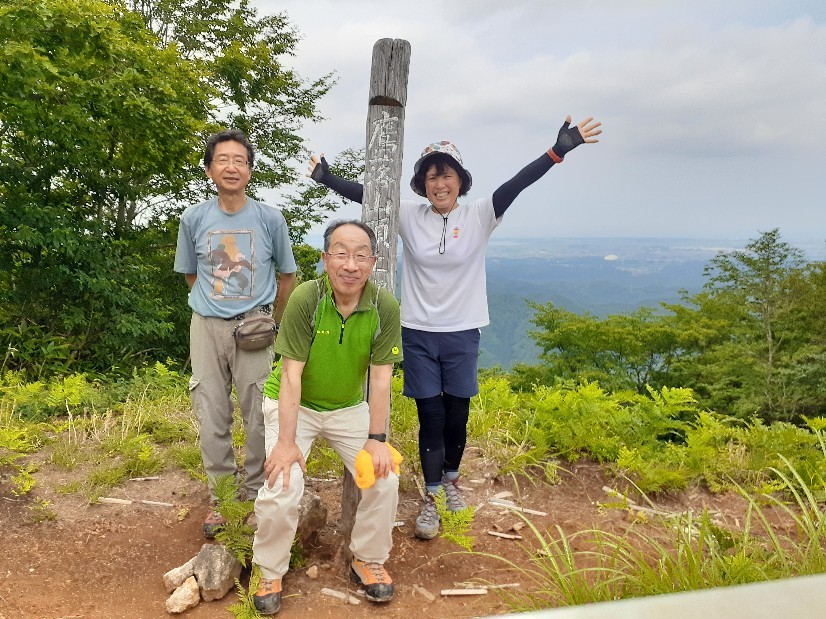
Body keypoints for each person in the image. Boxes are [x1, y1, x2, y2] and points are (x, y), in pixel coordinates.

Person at [306, 115, 602, 540]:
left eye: (446, 175)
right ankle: (430, 497)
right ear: (422, 184)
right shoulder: (411, 217)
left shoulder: (481, 214)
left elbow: (516, 184)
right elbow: (370, 196)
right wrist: (327, 179)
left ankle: (451, 481)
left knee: (457, 414)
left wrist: (556, 152)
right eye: (430, 177)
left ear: (460, 180)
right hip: (419, 331)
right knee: (430, 413)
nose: (438, 183)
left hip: (463, 331)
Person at [251, 220, 403, 615]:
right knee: (282, 481)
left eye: (360, 255)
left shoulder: (384, 307)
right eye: (341, 253)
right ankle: (269, 569)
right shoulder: (307, 298)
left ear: (372, 262)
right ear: (325, 259)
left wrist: (377, 438)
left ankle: (367, 559)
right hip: (293, 407)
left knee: (384, 477)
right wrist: (286, 443)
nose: (350, 264)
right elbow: (289, 374)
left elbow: (381, 380)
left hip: (348, 408)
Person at [174, 129, 297, 538]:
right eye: (223, 159)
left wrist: (270, 319)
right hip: (206, 327)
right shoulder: (193, 218)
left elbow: (287, 274)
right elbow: (192, 275)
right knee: (211, 413)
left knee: (259, 413)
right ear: (209, 169)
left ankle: (256, 492)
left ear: (250, 170)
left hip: (256, 328)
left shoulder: (268, 218)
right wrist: (212, 309)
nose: (232, 166)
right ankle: (223, 500)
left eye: (240, 160)